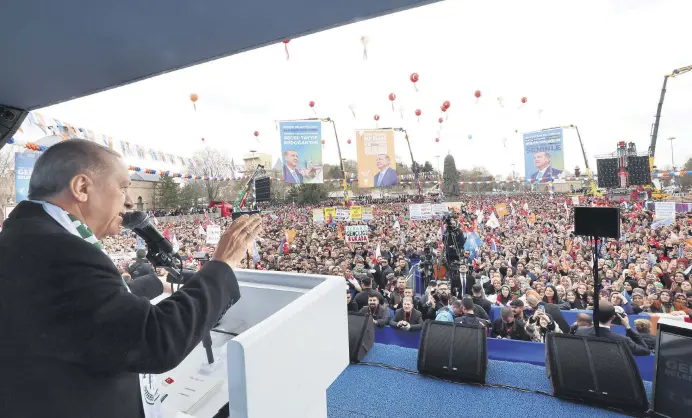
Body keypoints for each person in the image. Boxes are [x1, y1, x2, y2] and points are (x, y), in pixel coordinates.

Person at [0, 140, 262, 418]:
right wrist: (222, 264)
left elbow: (88, 315)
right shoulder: (61, 250)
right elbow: (156, 340)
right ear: (82, 188)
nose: (128, 200)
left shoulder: (25, 237)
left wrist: (151, 285)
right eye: (122, 186)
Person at [574, 302, 651, 356]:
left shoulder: (580, 330)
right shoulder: (623, 340)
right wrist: (628, 328)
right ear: (613, 317)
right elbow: (645, 351)